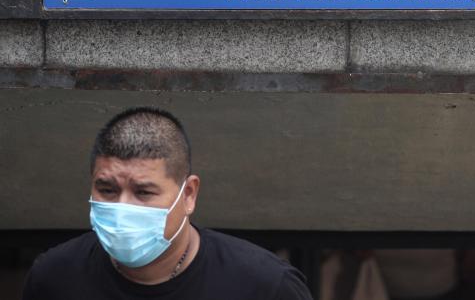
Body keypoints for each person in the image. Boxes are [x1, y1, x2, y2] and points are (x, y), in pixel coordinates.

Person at [22, 107, 313, 300]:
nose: (124, 208)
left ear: (188, 195)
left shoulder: (265, 286)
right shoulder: (55, 278)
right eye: (107, 190)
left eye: (144, 192)